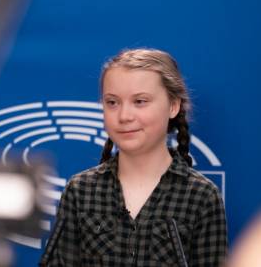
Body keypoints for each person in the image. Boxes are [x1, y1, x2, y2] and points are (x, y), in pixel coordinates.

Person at [39, 48, 228, 266]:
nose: (124, 116)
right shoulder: (80, 190)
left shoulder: (202, 196)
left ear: (173, 106)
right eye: (112, 102)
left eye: (140, 101)